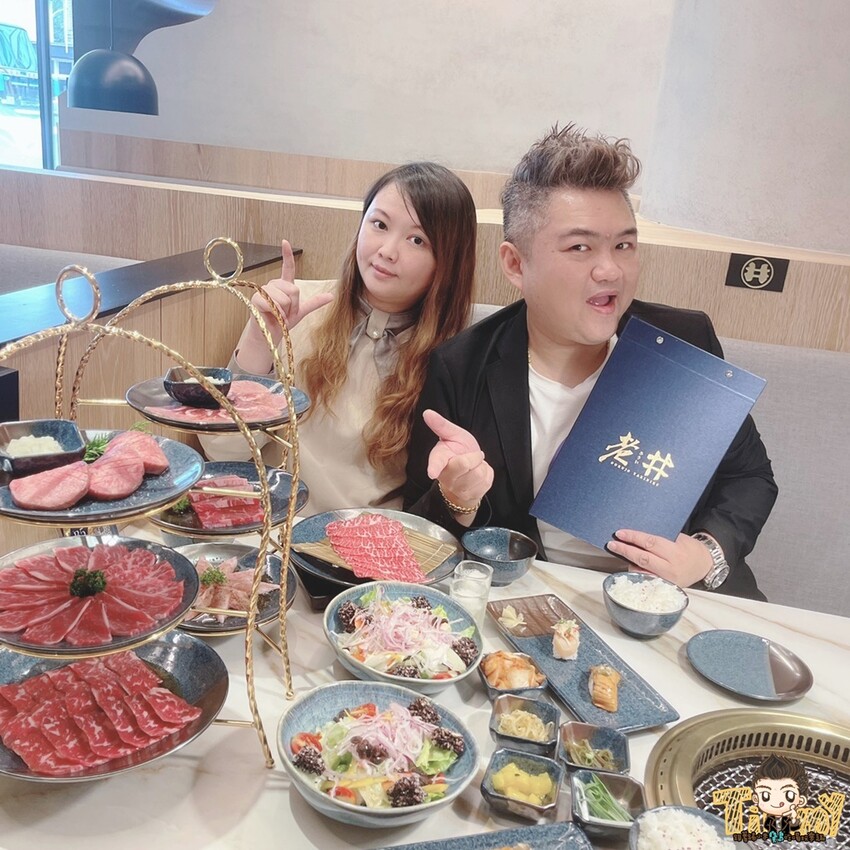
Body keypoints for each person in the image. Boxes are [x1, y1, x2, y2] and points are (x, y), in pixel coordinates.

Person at [403, 125, 777, 599]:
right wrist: (457, 498)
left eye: (624, 245)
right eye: (580, 247)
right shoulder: (462, 366)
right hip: (538, 603)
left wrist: (706, 553)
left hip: (677, 602)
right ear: (515, 264)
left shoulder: (683, 343)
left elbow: (749, 476)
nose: (610, 270)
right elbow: (420, 531)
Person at [201, 162, 477, 513]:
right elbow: (222, 451)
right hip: (267, 528)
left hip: (367, 541)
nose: (388, 250)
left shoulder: (455, 358)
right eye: (379, 224)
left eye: (417, 240)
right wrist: (260, 338)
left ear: (448, 263)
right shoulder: (295, 305)